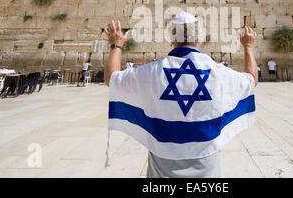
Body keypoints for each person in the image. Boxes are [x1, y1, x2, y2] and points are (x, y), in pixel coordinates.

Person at [104, 12, 258, 178]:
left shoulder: (152, 72)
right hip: (206, 165)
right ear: (198, 39)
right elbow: (252, 80)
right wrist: (248, 47)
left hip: (163, 166)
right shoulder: (218, 72)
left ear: (172, 40)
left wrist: (116, 45)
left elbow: (111, 79)